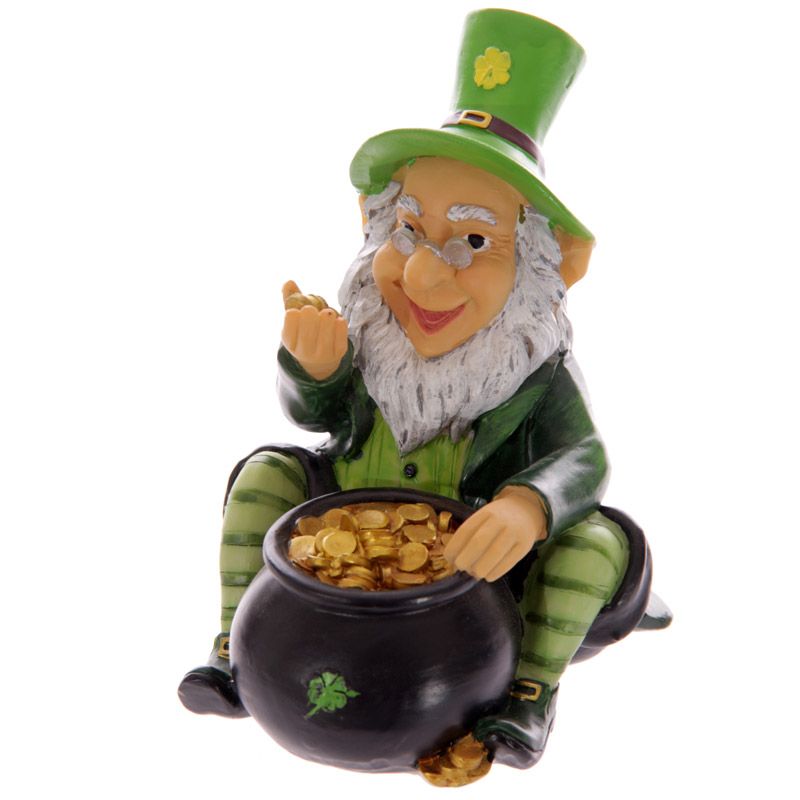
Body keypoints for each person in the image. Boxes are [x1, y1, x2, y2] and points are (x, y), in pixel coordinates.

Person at [180, 9, 660, 769]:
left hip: (480, 558)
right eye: (407, 230)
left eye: (474, 241)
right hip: (346, 512)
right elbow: (316, 415)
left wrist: (526, 505)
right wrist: (313, 368)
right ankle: (231, 648)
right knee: (265, 472)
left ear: (554, 264)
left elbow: (586, 459)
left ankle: (529, 694)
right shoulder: (374, 336)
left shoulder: (535, 370)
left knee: (600, 542)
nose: (425, 273)